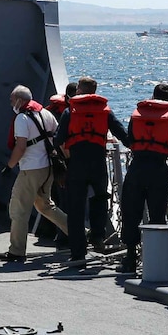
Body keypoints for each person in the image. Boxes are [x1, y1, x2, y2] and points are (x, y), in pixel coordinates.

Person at [54, 76, 129, 267]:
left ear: (79, 90)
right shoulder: (105, 111)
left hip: (77, 163)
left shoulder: (70, 111)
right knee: (100, 198)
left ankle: (78, 253)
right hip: (98, 163)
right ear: (94, 91)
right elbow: (122, 134)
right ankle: (97, 235)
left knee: (75, 208)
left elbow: (58, 139)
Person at [117, 83, 168, 274]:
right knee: (157, 215)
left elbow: (130, 139)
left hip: (137, 167)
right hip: (158, 168)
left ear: (152, 95)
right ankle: (155, 262)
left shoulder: (137, 115)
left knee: (131, 213)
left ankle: (130, 258)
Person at [0, 85, 70, 263]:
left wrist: (9, 166)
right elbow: (59, 139)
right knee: (46, 206)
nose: (11, 103)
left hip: (31, 169)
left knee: (19, 210)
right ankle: (81, 234)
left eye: (12, 99)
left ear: (20, 101)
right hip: (48, 168)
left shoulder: (22, 119)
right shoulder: (46, 113)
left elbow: (21, 146)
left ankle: (16, 251)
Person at [36, 81, 78, 245]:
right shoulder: (67, 114)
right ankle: (64, 235)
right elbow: (61, 141)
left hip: (51, 161)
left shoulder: (53, 112)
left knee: (53, 198)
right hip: (63, 162)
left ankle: (49, 231)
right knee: (64, 200)